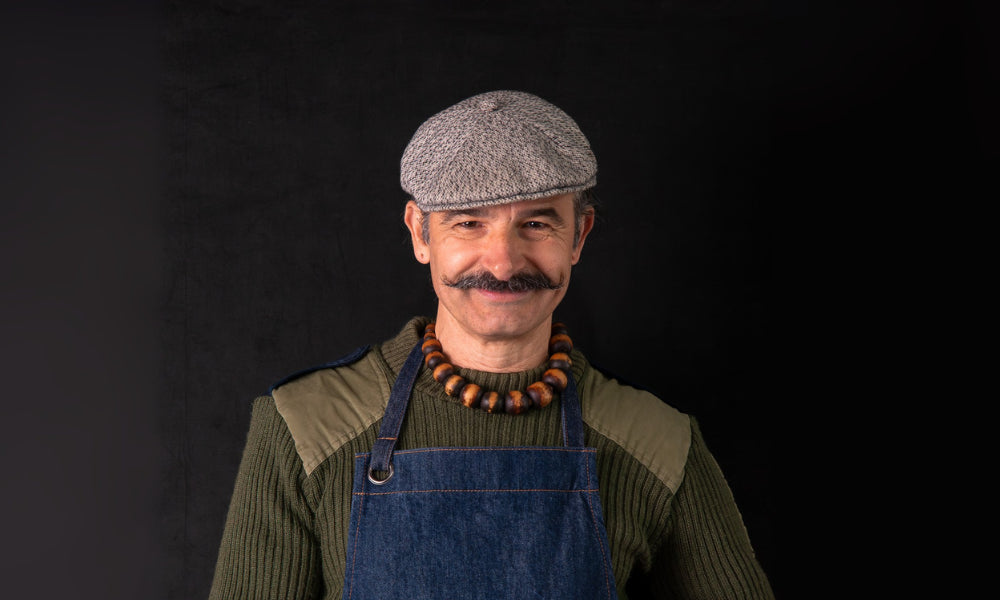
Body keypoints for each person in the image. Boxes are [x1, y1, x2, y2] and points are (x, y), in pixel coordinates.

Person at [209, 90, 774, 599]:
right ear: (419, 233)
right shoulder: (306, 425)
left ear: (579, 236)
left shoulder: (656, 441)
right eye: (468, 224)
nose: (503, 264)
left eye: (536, 224)